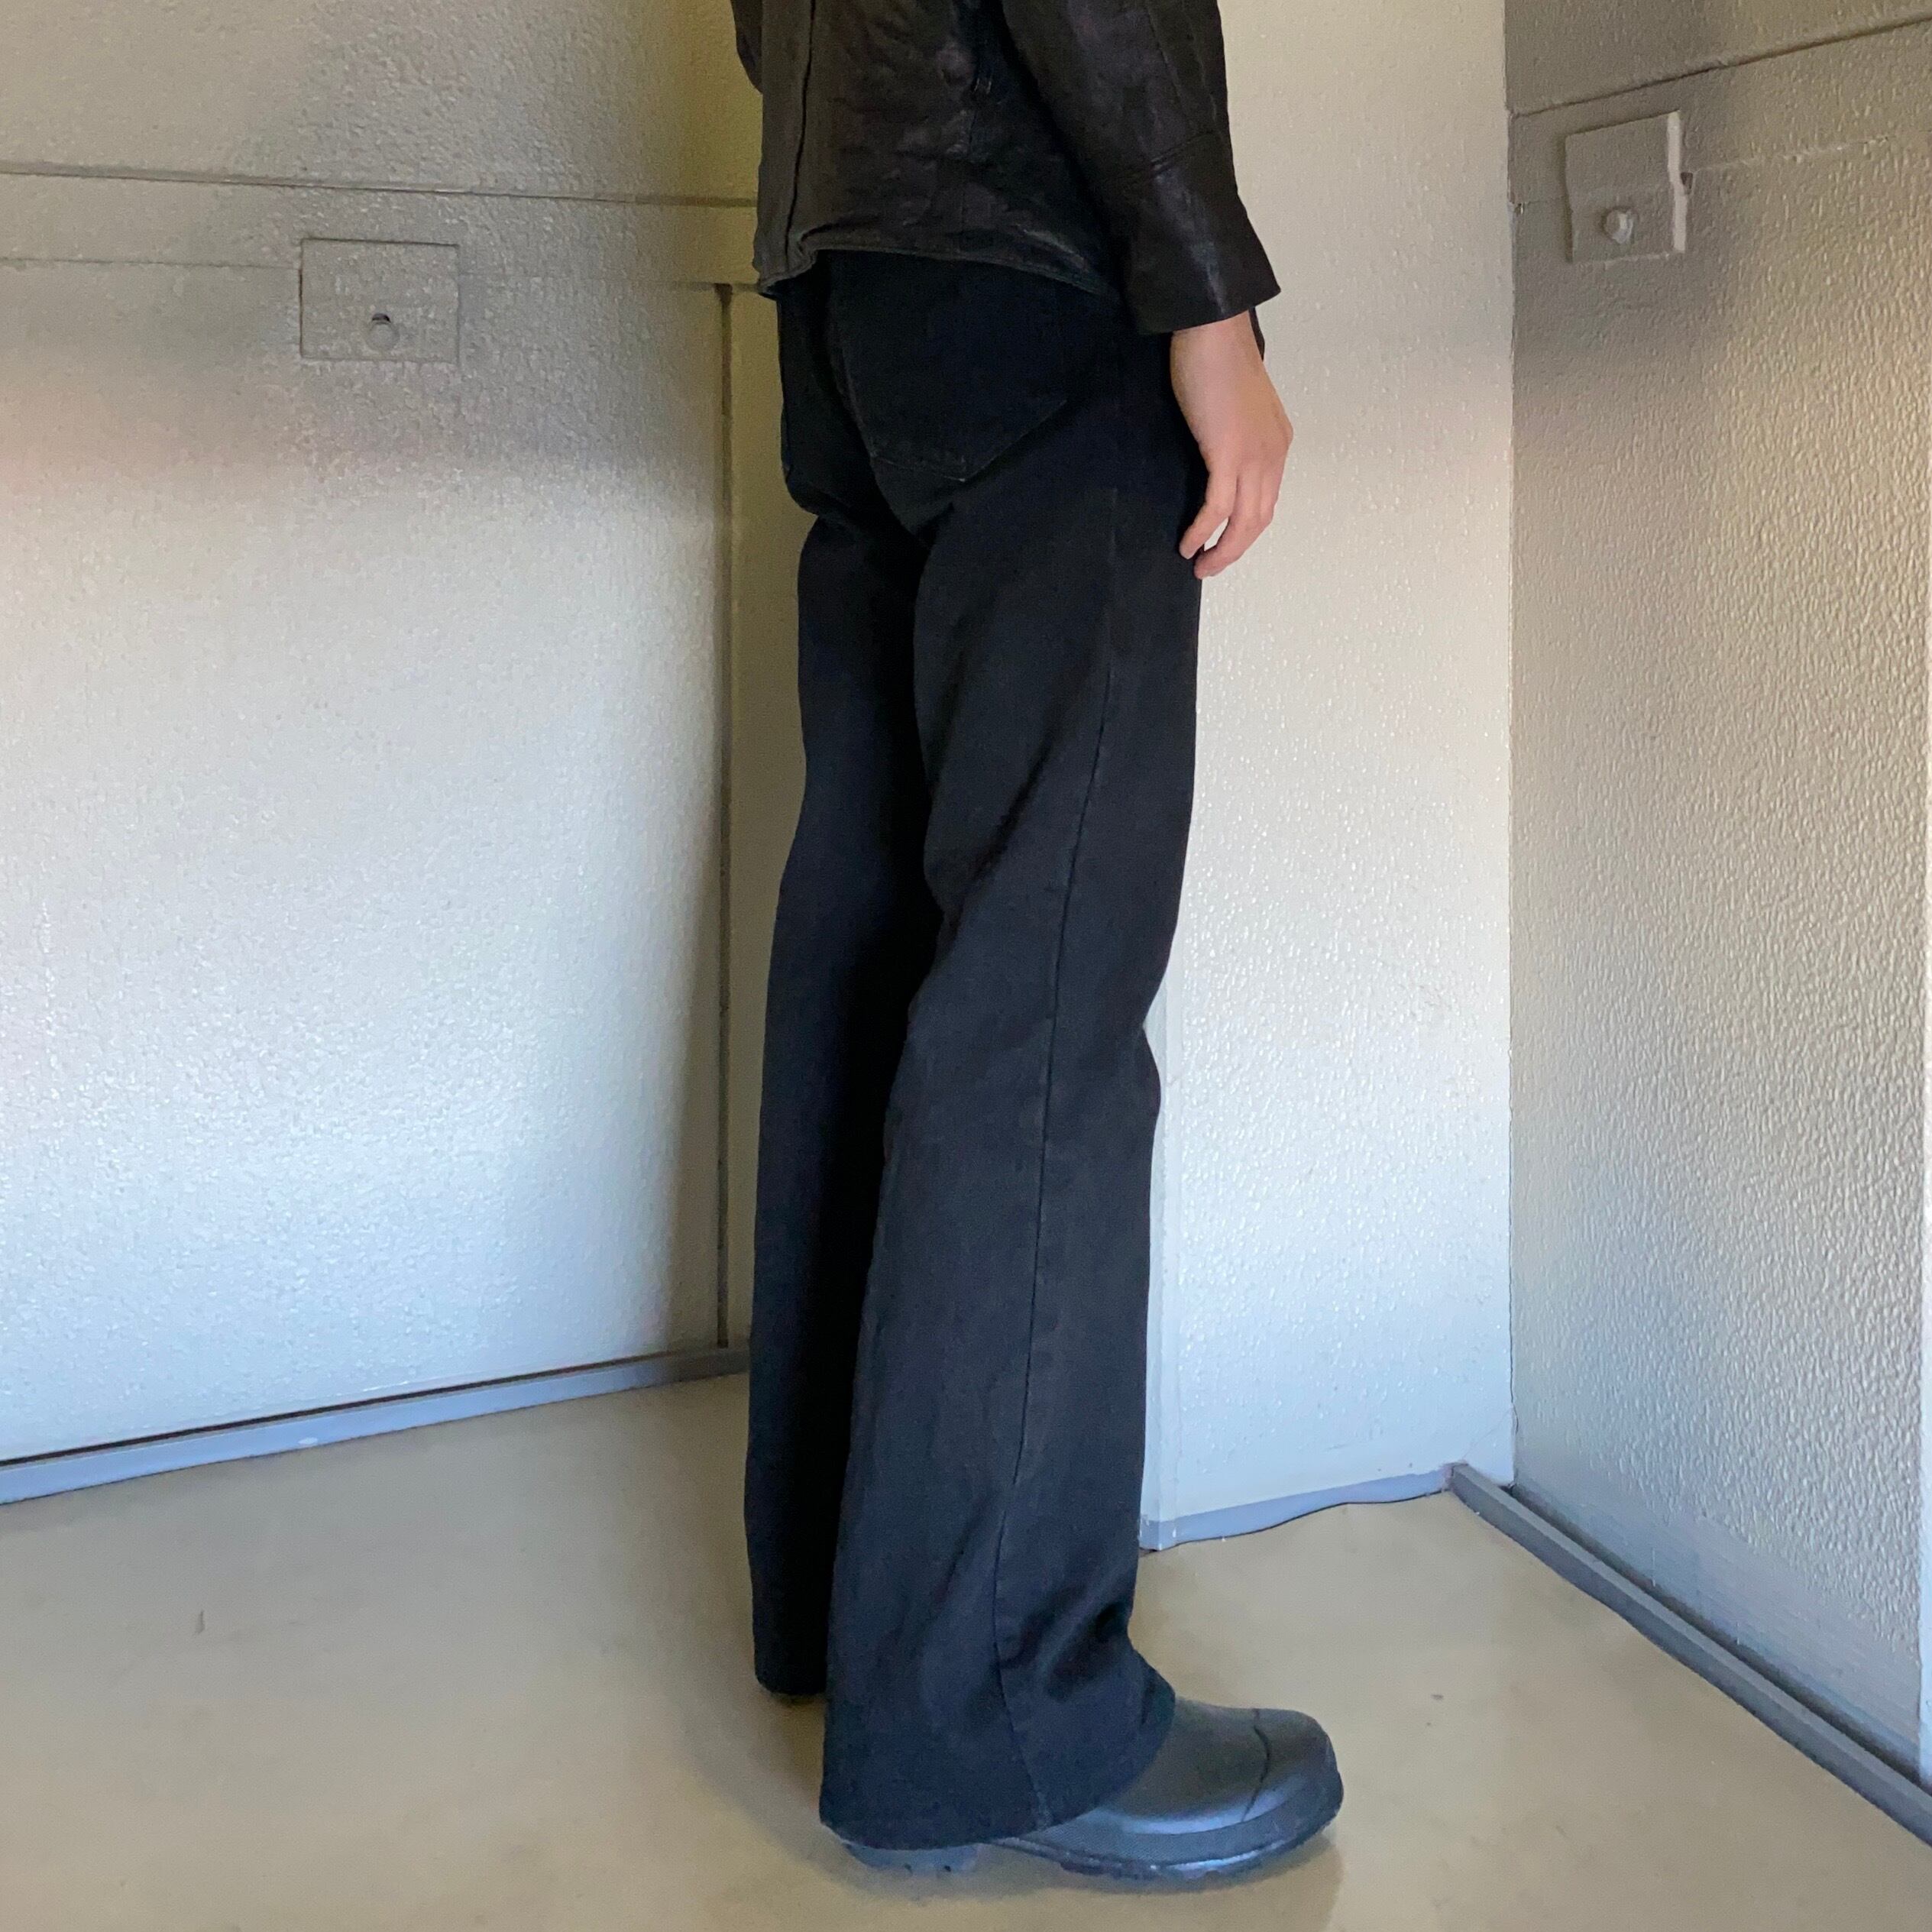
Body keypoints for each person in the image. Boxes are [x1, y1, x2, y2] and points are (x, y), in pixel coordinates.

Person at [730, 0, 1340, 1885]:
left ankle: (845, 1605)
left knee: (877, 937)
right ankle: (996, 1701)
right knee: (1040, 981)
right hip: (1032, 266)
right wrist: (1207, 301)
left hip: (849, 284)